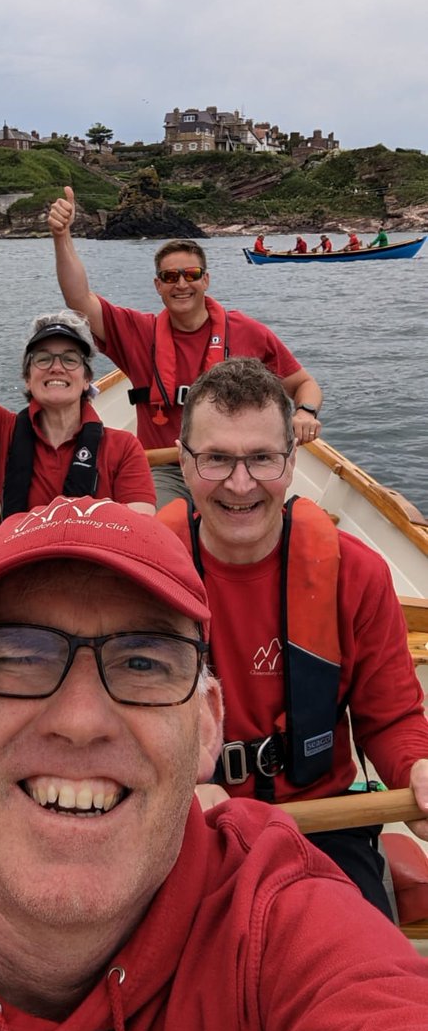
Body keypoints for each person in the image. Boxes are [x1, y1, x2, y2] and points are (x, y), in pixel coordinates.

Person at [0, 495, 428, 1031]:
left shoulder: (281, 924)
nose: (80, 721)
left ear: (206, 727)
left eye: (142, 662)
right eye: (19, 655)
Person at [159, 357, 428, 917]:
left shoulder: (356, 575)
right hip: (184, 822)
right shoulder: (145, 578)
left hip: (324, 825)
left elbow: (392, 719)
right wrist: (175, 788)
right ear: (184, 462)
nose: (240, 484)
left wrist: (417, 768)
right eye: (216, 458)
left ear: (291, 460)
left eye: (262, 458)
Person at [48, 186, 323, 508]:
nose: (181, 284)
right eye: (170, 277)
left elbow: (304, 385)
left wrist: (305, 412)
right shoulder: (138, 332)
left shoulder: (248, 331)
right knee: (159, 525)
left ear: (205, 280)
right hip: (168, 469)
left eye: (191, 274)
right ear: (158, 285)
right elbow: (79, 299)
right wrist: (61, 236)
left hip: (236, 466)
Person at [0, 197, 156, 518]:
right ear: (27, 378)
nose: (56, 367)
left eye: (70, 359)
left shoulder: (123, 448)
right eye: (43, 359)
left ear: (87, 379)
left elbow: (141, 522)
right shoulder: (0, 434)